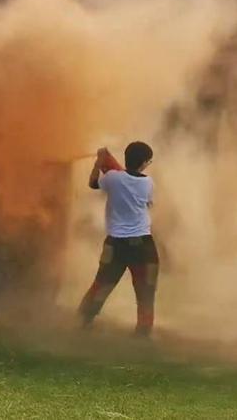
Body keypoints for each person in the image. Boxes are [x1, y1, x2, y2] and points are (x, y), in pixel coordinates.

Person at [77, 141, 159, 337]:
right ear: (145, 163)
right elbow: (148, 203)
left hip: (115, 244)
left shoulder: (112, 179)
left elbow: (93, 183)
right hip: (142, 245)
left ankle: (82, 320)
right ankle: (143, 332)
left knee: (102, 283)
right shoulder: (148, 183)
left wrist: (99, 163)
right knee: (145, 291)